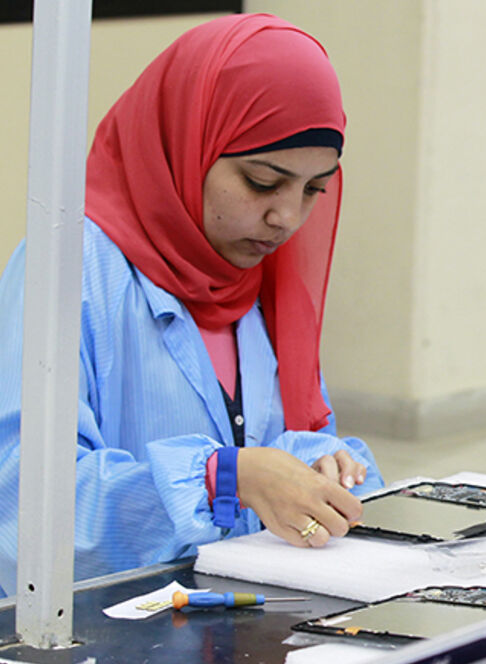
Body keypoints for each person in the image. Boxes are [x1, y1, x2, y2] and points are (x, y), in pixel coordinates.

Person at [0, 14, 384, 597]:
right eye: (261, 182)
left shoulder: (258, 279)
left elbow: (301, 436)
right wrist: (220, 478)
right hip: (93, 639)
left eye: (314, 190)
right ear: (186, 143)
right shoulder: (71, 266)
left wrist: (324, 470)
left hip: (233, 628)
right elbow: (23, 502)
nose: (286, 218)